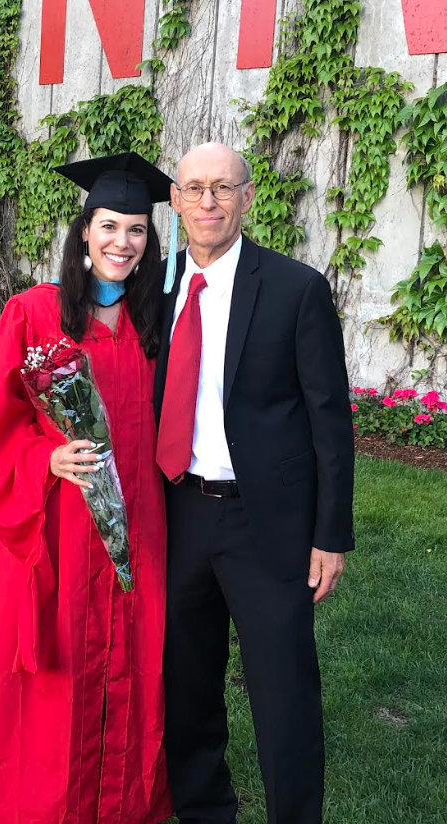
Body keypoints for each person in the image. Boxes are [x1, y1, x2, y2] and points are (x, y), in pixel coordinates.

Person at [0, 153, 174, 824]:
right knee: (58, 674)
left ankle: (121, 802)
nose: (121, 243)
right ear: (83, 232)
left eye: (136, 230)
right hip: (58, 530)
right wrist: (48, 459)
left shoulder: (155, 322)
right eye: (108, 226)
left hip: (139, 528)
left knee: (134, 662)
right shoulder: (33, 314)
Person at [154, 142, 355, 824]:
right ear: (175, 201)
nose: (207, 202)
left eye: (221, 188)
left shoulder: (296, 288)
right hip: (178, 511)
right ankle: (204, 808)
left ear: (246, 197)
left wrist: (330, 535)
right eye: (193, 188)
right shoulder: (157, 284)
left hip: (264, 522)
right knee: (185, 682)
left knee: (283, 691)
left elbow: (330, 420)